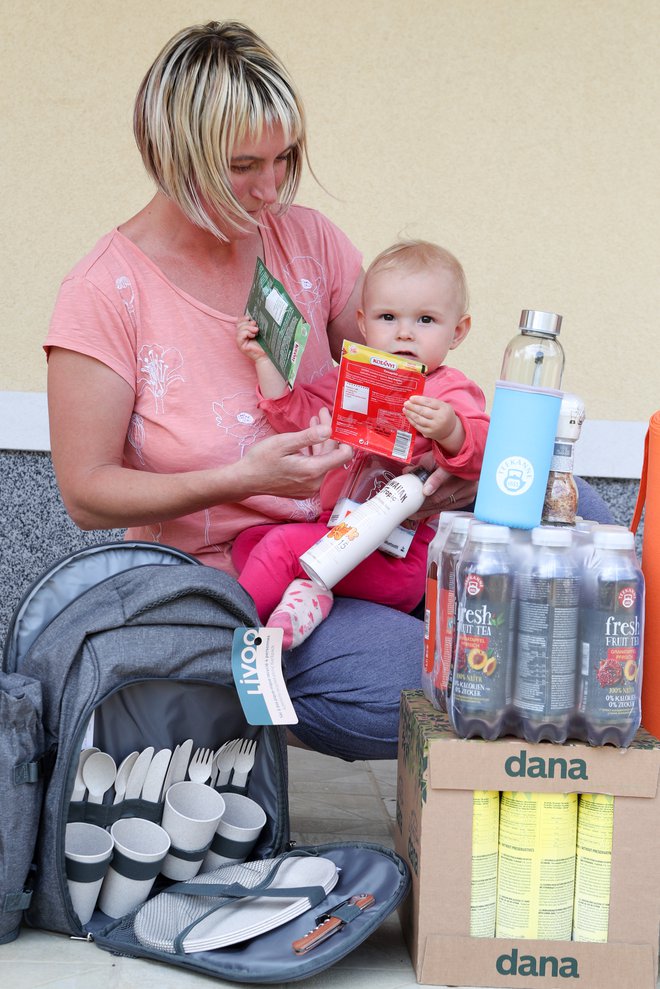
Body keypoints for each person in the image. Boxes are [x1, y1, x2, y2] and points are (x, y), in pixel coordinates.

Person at [44, 21, 612, 761]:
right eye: (244, 165)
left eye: (285, 159)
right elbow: (86, 493)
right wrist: (243, 478)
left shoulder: (305, 240)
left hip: (368, 522)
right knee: (445, 678)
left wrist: (453, 456)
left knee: (579, 509)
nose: (272, 189)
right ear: (172, 154)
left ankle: (618, 698)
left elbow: (400, 372)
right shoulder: (104, 293)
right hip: (245, 577)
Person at [233, 240, 490, 648]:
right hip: (335, 530)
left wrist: (450, 430)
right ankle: (307, 599)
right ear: (364, 325)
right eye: (388, 317)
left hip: (395, 557)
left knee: (279, 548)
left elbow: (480, 450)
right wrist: (265, 362)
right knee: (249, 543)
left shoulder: (449, 390)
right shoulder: (349, 379)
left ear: (457, 332)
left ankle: (218, 642)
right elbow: (296, 415)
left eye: (426, 320)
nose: (404, 332)